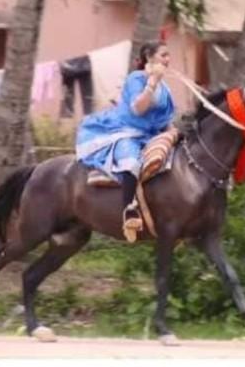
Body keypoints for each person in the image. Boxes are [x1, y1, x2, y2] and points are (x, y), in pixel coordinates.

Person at [75, 42, 175, 235]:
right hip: (126, 131)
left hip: (151, 136)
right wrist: (152, 82)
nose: (168, 60)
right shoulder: (136, 79)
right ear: (149, 56)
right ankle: (129, 211)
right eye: (163, 55)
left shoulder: (165, 88)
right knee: (131, 161)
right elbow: (138, 109)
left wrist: (173, 132)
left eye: (168, 56)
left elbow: (165, 118)